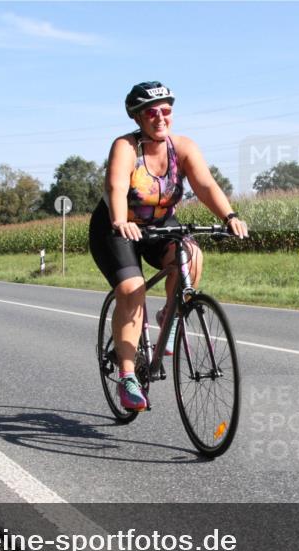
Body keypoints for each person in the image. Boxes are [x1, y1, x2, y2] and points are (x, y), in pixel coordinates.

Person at [89, 81, 249, 412]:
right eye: (152, 112)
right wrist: (121, 221)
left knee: (191, 256)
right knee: (132, 289)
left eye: (166, 111)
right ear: (137, 118)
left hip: (160, 224)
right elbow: (117, 187)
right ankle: (129, 377)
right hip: (117, 226)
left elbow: (205, 184)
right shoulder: (126, 147)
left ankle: (170, 315)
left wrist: (229, 215)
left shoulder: (183, 147)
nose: (160, 117)